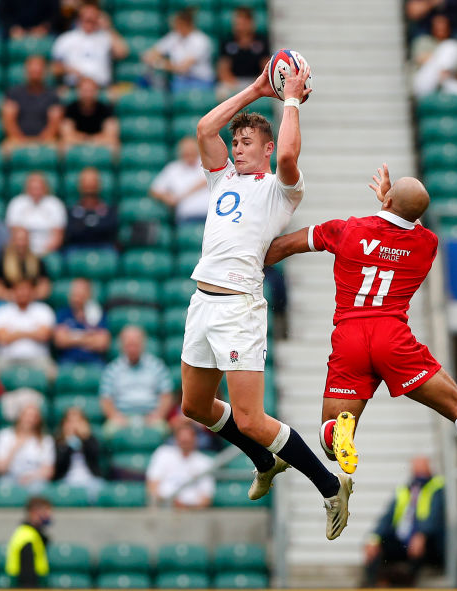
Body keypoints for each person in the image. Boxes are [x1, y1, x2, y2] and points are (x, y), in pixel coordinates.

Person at [264, 165, 457, 520]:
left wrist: (243, 265)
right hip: (393, 338)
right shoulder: (426, 244)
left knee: (330, 437)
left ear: (386, 198)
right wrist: (392, 205)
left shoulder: (347, 229)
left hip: (351, 336)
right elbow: (404, 223)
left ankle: (342, 429)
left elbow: (286, 245)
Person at [183, 62, 354, 540]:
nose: (237, 148)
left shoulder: (280, 190)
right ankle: (264, 460)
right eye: (235, 143)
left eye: (247, 143)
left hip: (239, 307)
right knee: (195, 406)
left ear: (267, 147)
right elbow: (204, 128)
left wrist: (290, 101)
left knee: (251, 418)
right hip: (203, 302)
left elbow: (290, 157)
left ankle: (329, 486)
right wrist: (259, 89)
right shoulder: (222, 179)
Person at [363, 456, 445, 588]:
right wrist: (374, 538)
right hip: (402, 539)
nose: (419, 474)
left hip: (427, 541)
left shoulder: (437, 487)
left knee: (418, 546)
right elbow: (387, 517)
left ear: (429, 469)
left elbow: (435, 517)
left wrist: (422, 534)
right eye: (416, 469)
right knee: (375, 546)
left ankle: (406, 583)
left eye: (422, 469)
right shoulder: (405, 489)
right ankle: (371, 585)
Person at [99, 325, 173, 436]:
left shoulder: (156, 366)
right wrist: (115, 417)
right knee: (108, 432)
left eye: (135, 345)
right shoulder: (113, 369)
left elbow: (166, 395)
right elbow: (105, 399)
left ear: (143, 344)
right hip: (121, 418)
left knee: (163, 430)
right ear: (121, 345)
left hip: (151, 417)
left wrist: (158, 415)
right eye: (129, 345)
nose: (132, 349)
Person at [51, 0, 128, 88]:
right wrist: (68, 69)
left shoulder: (105, 37)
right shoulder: (66, 39)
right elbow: (54, 68)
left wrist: (108, 27)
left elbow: (122, 53)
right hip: (75, 87)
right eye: (86, 19)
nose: (89, 22)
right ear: (79, 18)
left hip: (100, 88)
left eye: (92, 19)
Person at [0, 278, 57, 379]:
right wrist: (31, 333)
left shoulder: (44, 310)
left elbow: (44, 335)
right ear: (13, 291)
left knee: (52, 372)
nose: (23, 293)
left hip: (38, 358)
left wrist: (15, 333)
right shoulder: (1, 311)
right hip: (8, 359)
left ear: (32, 291)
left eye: (26, 289)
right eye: (19, 289)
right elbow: (1, 338)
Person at [146, 419, 215, 508]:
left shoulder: (205, 462)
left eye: (188, 439)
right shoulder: (163, 453)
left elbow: (206, 499)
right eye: (182, 440)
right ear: (176, 438)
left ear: (195, 439)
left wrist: (185, 507)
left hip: (193, 514)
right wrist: (168, 503)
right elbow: (152, 487)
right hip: (164, 510)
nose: (185, 441)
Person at [411, 13, 457, 104]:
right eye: (437, 25)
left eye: (443, 24)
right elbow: (420, 59)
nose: (441, 28)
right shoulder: (424, 41)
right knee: (447, 49)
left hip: (450, 81)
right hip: (427, 83)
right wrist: (440, 59)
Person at [142, 8, 214, 92]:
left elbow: (182, 68)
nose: (173, 25)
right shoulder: (174, 36)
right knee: (149, 81)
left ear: (185, 24)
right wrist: (152, 58)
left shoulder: (201, 40)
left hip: (200, 81)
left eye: (177, 23)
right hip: (180, 81)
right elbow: (149, 55)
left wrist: (159, 63)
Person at [2, 55, 63, 152]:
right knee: (6, 148)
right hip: (17, 139)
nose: (35, 71)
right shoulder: (14, 93)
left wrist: (41, 141)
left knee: (59, 149)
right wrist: (21, 140)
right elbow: (9, 120)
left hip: (46, 140)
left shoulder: (53, 96)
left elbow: (54, 123)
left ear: (44, 71)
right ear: (26, 70)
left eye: (38, 68)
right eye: (32, 68)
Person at [0, 403, 54, 492]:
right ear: (20, 416)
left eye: (34, 416)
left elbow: (48, 471)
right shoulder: (4, 435)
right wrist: (15, 448)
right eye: (27, 415)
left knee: (40, 489)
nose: (30, 419)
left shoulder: (46, 440)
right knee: (2, 487)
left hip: (35, 479)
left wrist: (30, 477)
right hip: (9, 478)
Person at [5, 173, 67, 257]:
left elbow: (58, 236)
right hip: (22, 251)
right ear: (27, 189)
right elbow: (14, 234)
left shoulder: (55, 204)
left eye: (38, 188)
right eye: (33, 188)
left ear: (45, 188)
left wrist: (43, 253)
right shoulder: (17, 203)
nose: (36, 191)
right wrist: (27, 253)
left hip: (48, 252)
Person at [150, 137, 210, 223]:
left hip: (209, 216)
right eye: (186, 152)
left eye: (191, 151)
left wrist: (182, 195)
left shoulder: (207, 164)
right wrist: (168, 198)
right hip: (187, 218)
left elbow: (206, 181)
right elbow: (154, 190)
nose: (189, 154)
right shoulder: (173, 169)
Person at [216, 7, 269, 99]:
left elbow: (266, 66)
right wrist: (234, 84)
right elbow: (223, 68)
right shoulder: (227, 41)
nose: (239, 27)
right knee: (221, 92)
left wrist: (255, 84)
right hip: (233, 82)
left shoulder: (261, 41)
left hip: (255, 81)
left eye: (242, 23)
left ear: (250, 23)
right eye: (237, 23)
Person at [53, 278, 110, 365]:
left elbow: (102, 343)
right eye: (74, 293)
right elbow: (60, 341)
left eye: (80, 294)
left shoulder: (98, 313)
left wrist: (72, 336)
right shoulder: (63, 313)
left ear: (88, 295)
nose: (76, 297)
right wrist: (89, 337)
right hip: (68, 360)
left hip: (94, 361)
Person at [53, 406, 104, 501]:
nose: (74, 425)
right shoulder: (58, 442)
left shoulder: (91, 440)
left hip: (90, 479)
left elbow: (95, 455)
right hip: (66, 480)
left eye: (78, 421)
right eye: (70, 422)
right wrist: (68, 441)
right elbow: (59, 464)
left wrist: (85, 437)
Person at [63, 167, 117, 249]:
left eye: (92, 181)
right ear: (79, 185)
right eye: (86, 182)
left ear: (99, 184)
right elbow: (71, 232)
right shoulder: (71, 210)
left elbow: (110, 230)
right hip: (77, 249)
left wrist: (83, 225)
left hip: (104, 249)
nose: (89, 185)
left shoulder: (109, 210)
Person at [0, 227, 51, 303]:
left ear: (28, 241)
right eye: (19, 240)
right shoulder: (3, 261)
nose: (21, 244)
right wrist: (11, 295)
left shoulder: (37, 260)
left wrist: (29, 296)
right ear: (13, 241)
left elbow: (45, 286)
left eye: (24, 240)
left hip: (32, 302)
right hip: (9, 302)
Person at [61, 77, 119, 152]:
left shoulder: (105, 109)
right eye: (85, 91)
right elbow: (67, 134)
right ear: (78, 91)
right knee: (63, 145)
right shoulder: (70, 109)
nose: (88, 94)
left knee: (114, 144)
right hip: (78, 144)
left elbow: (111, 134)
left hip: (99, 145)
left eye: (91, 91)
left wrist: (92, 140)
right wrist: (85, 139)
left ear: (96, 92)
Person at [4, 496, 52, 588]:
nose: (49, 516)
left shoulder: (29, 533)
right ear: (34, 512)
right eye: (45, 512)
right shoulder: (27, 538)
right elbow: (27, 577)